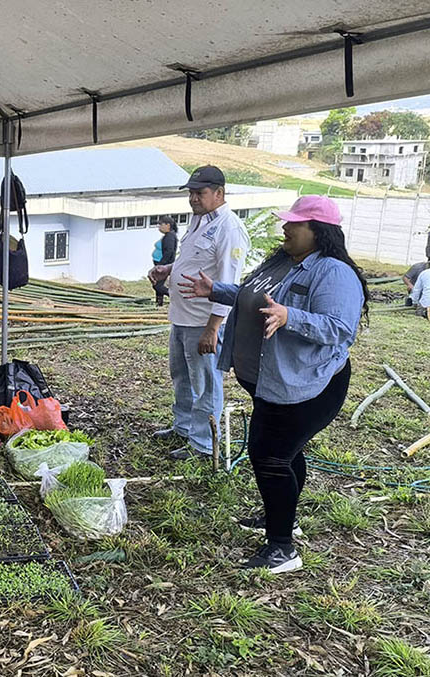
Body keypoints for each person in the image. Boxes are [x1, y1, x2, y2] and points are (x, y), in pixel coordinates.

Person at [179, 195, 367, 573]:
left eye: (295, 223)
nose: (286, 228)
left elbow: (340, 328)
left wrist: (290, 317)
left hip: (306, 386)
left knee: (269, 456)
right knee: (286, 453)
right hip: (270, 381)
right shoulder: (282, 261)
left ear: (318, 231)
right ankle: (283, 519)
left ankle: (282, 549)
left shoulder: (333, 272)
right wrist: (216, 290)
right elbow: (254, 296)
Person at [147, 166, 249, 460]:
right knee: (181, 377)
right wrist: (170, 269)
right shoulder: (199, 221)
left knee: (205, 384)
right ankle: (184, 427)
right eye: (191, 193)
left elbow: (228, 283)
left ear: (219, 193)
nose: (193, 198)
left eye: (199, 193)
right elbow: (195, 261)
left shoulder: (229, 228)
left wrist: (212, 328)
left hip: (204, 321)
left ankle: (203, 445)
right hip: (182, 316)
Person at [151, 216, 178, 306]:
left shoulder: (170, 236)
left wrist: (161, 265)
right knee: (157, 283)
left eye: (161, 224)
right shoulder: (167, 235)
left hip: (163, 265)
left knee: (157, 286)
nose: (159, 227)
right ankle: (159, 303)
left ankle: (174, 297)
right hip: (160, 263)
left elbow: (169, 252)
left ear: (168, 225)